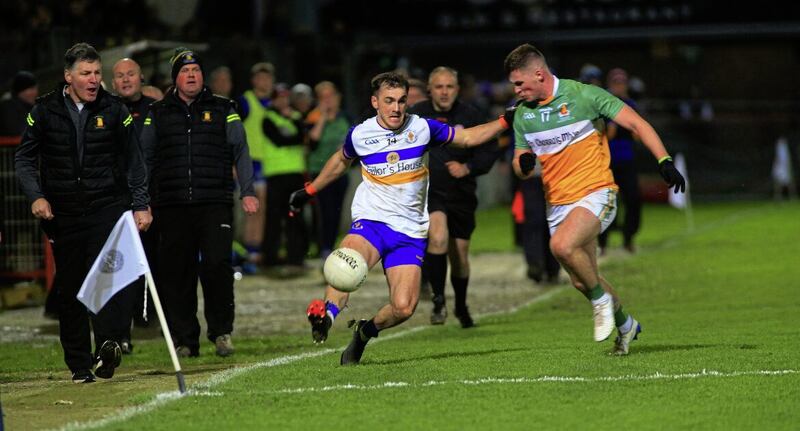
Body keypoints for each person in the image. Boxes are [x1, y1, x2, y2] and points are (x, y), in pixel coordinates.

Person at [292, 72, 508, 365]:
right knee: (346, 264)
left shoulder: (422, 128)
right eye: (389, 101)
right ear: (375, 102)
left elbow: (468, 138)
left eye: (402, 101)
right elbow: (341, 160)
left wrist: (506, 121)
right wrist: (310, 189)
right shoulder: (361, 134)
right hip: (372, 222)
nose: (396, 108)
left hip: (410, 232)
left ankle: (365, 333)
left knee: (404, 307)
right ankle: (327, 317)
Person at [504, 44, 685, 355]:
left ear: (539, 74)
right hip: (557, 204)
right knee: (582, 280)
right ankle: (627, 325)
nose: (516, 90)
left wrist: (664, 160)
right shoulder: (522, 115)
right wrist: (522, 165)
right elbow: (519, 159)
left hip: (596, 191)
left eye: (520, 83)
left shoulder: (585, 96)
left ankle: (601, 303)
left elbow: (636, 123)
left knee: (561, 246)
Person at [15, 43, 152, 383]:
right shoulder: (44, 110)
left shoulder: (115, 110)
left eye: (96, 74)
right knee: (72, 287)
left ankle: (108, 342)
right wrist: (37, 196)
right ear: (68, 76)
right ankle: (79, 363)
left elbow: (134, 162)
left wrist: (140, 204)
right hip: (63, 213)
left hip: (107, 207)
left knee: (111, 279)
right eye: (86, 74)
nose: (93, 80)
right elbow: (24, 159)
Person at [140, 48, 259, 358]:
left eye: (196, 70)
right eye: (184, 70)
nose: (191, 75)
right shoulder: (158, 112)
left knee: (218, 265)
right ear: (175, 78)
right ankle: (184, 339)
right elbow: (146, 158)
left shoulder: (224, 108)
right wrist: (142, 200)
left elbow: (241, 150)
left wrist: (247, 190)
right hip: (172, 204)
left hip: (214, 202)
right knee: (177, 272)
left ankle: (221, 332)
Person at [408, 66, 501, 327]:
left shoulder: (471, 114)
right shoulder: (417, 116)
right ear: (430, 89)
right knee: (437, 237)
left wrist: (468, 168)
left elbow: (489, 147)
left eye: (450, 86)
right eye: (439, 86)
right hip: (431, 192)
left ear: (457, 89)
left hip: (461, 193)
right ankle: (438, 301)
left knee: (459, 256)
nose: (444, 92)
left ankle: (460, 305)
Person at [110, 57, 159, 352]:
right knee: (119, 265)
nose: (126, 80)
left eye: (131, 74)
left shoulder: (157, 110)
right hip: (116, 200)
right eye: (120, 76)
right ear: (113, 82)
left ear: (141, 78)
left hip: (152, 200)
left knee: (154, 261)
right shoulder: (105, 110)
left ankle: (151, 318)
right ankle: (120, 331)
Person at [260, 83, 309, 273]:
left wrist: (294, 128)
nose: (282, 101)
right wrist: (296, 136)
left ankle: (296, 258)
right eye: (278, 97)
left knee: (295, 217)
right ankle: (270, 258)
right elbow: (280, 140)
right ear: (273, 100)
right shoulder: (268, 118)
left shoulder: (296, 117)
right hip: (275, 175)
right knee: (273, 218)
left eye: (285, 97)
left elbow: (304, 138)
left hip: (295, 174)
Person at [598, 68, 643, 254]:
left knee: (633, 199)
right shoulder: (604, 105)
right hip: (607, 162)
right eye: (615, 83)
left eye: (621, 83)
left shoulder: (630, 105)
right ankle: (602, 242)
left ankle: (628, 237)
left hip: (627, 160)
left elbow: (638, 134)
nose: (619, 87)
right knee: (606, 203)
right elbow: (604, 134)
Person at [306, 81, 351, 260]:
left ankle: (331, 246)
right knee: (324, 211)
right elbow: (312, 142)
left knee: (337, 211)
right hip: (319, 172)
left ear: (338, 97)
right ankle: (323, 247)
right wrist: (323, 117)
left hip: (341, 172)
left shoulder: (345, 117)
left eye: (330, 96)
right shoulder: (313, 117)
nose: (328, 100)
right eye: (323, 97)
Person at [237, 62, 275, 270]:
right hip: (250, 163)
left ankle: (257, 253)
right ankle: (249, 252)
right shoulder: (245, 101)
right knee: (252, 210)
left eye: (268, 78)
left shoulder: (274, 102)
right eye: (260, 78)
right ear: (253, 81)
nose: (264, 82)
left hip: (270, 163)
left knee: (264, 210)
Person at [0, 71, 38, 136]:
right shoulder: (8, 107)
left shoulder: (30, 106)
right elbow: (17, 132)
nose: (35, 92)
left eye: (35, 89)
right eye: (31, 89)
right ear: (20, 91)